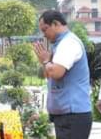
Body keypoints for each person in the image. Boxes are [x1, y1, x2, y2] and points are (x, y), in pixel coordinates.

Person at [33, 10, 92, 139]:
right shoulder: (59, 45)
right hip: (65, 115)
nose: (44, 35)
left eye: (45, 30)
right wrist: (45, 62)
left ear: (56, 24)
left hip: (73, 115)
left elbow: (56, 72)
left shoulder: (69, 43)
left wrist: (46, 60)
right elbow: (48, 75)